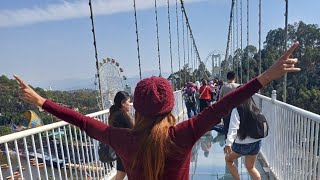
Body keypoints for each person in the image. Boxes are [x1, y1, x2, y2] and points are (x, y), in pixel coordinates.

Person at [14, 42, 300, 180]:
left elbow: (81, 122)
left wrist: (41, 101)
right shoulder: (184, 133)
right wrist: (265, 77)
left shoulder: (121, 137)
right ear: (170, 108)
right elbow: (225, 104)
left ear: (136, 108)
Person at [224, 99, 262, 180]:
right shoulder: (255, 107)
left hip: (242, 144)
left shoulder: (237, 109)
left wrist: (228, 144)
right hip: (256, 142)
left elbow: (233, 128)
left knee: (228, 160)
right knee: (250, 167)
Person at [108, 91, 134, 180]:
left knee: (121, 174)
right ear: (123, 103)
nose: (130, 104)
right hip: (127, 151)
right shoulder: (122, 115)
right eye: (128, 102)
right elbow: (134, 131)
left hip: (120, 150)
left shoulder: (114, 114)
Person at [219, 71, 241, 139]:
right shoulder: (239, 86)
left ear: (227, 78)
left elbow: (220, 100)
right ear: (235, 78)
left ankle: (227, 144)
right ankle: (236, 143)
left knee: (227, 128)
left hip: (226, 110)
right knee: (237, 127)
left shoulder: (223, 87)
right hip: (238, 110)